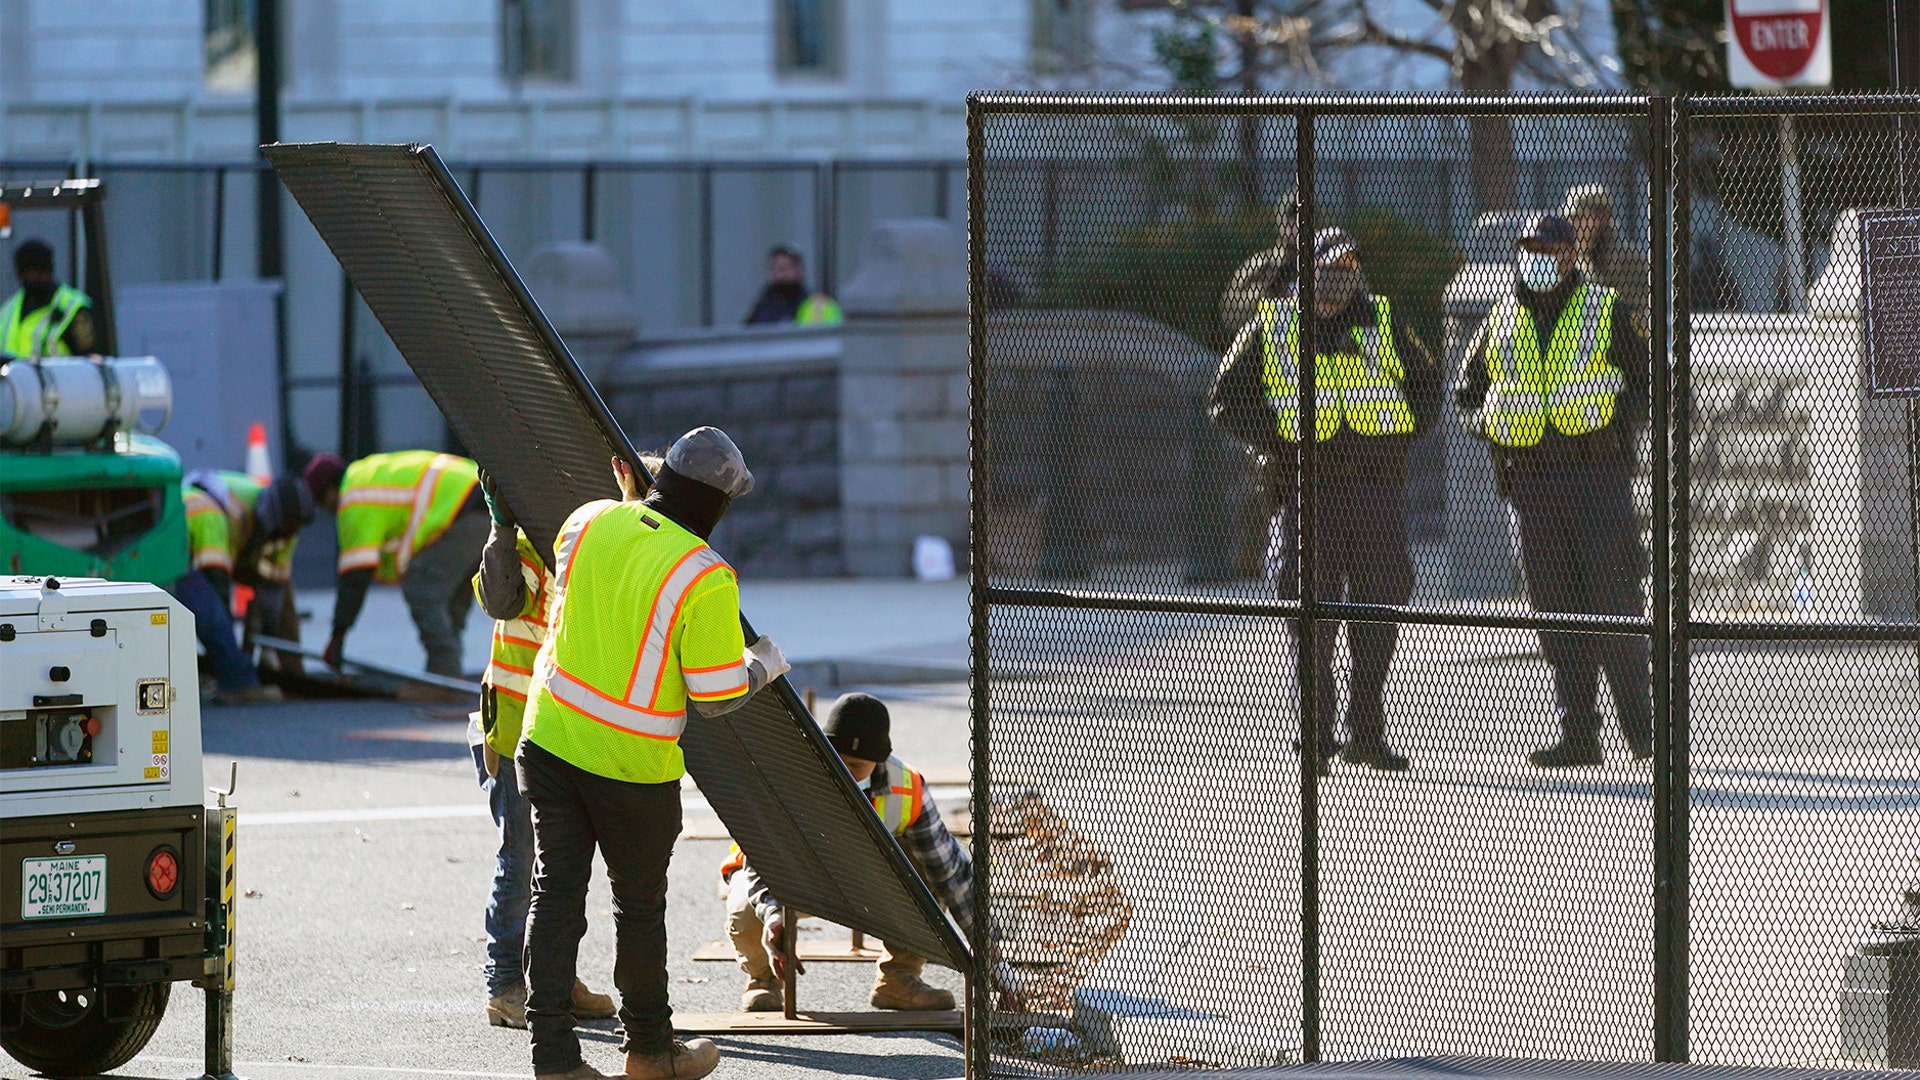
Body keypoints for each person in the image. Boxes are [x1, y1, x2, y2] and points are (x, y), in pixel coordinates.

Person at [517, 429, 787, 1080]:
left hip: (549, 737)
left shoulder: (585, 522)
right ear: (720, 505)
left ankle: (552, 1058)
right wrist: (763, 665)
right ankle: (650, 1052)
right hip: (631, 767)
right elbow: (717, 696)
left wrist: (631, 502)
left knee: (555, 895)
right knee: (638, 911)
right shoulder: (704, 572)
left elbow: (608, 586)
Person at [1210, 227, 1441, 773]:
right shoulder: (1272, 323)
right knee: (1307, 613)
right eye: (1329, 267)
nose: (1338, 278)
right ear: (1308, 271)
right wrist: (1277, 437)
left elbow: (1428, 387)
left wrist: (1396, 434)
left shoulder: (1384, 321)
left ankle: (1367, 732)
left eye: (1348, 268)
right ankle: (1315, 736)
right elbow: (1225, 401)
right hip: (1305, 489)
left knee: (1379, 606)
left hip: (1375, 488)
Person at [1453, 213, 1653, 768]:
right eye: (1529, 247)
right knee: (1556, 610)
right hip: (1533, 483)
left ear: (1569, 256)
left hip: (1596, 477)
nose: (1536, 256)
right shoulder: (1499, 319)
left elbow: (1649, 381)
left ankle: (1643, 732)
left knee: (1612, 602)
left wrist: (1617, 424)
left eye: (1547, 248)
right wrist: (1492, 423)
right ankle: (1579, 734)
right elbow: (1467, 394)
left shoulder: (1607, 310)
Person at [468, 468, 632, 1033]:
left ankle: (549, 979)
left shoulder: (591, 548)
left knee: (560, 864)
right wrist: (500, 526)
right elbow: (500, 598)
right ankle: (505, 985)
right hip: (514, 731)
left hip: (561, 729)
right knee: (521, 858)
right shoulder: (530, 548)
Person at [724, 693, 968, 1013]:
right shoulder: (792, 777)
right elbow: (762, 860)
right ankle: (764, 979)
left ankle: (899, 978)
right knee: (745, 905)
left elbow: (951, 875)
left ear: (877, 760)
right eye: (836, 758)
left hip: (866, 878)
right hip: (797, 874)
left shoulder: (906, 787)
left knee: (927, 870)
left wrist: (992, 965)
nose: (844, 770)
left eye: (855, 766)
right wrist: (773, 917)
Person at [302, 450, 487, 686]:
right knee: (450, 600)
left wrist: (338, 636)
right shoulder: (366, 472)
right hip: (483, 498)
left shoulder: (353, 499)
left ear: (328, 492)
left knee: (422, 588)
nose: (327, 511)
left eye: (321, 503)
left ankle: (444, 675)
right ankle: (449, 678)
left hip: (461, 508)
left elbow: (355, 577)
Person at [175, 470, 313, 704]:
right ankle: (236, 680)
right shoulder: (214, 516)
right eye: (285, 528)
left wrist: (266, 643)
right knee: (209, 608)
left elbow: (274, 587)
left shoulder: (288, 527)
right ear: (271, 520)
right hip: (180, 538)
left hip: (233, 541)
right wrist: (234, 652)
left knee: (282, 591)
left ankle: (290, 671)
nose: (289, 534)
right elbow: (218, 585)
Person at [1563, 184, 1651, 338]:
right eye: (1570, 219)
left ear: (1602, 218)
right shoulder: (1579, 265)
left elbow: (1639, 325)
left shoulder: (1628, 263)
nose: (1573, 225)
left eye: (1580, 218)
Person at [1219, 194, 1300, 334]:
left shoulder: (1321, 265)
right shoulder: (1262, 266)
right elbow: (1229, 314)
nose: (1294, 227)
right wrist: (1263, 291)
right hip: (1265, 350)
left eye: (1299, 221)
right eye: (1290, 221)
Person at [2, 239, 95, 358]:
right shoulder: (7, 312)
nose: (37, 277)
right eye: (31, 273)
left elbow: (91, 361)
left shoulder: (73, 308)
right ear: (20, 274)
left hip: (60, 377)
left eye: (41, 272)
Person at [743, 245, 842, 326]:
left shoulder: (817, 306)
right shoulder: (761, 308)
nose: (782, 274)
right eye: (778, 268)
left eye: (787, 267)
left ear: (800, 271)